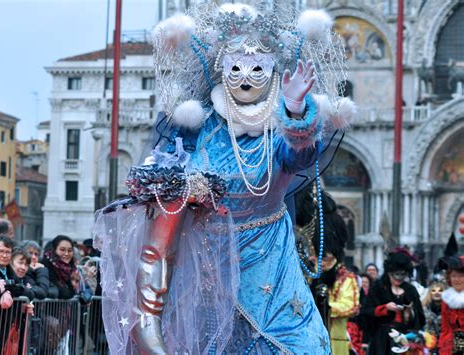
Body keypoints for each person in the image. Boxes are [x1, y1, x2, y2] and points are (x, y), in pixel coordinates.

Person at [94, 3, 355, 354]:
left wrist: (294, 109)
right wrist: (186, 189)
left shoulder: (277, 130)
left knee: (299, 345)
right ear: (221, 70)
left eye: (257, 68)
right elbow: (168, 182)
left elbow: (301, 156)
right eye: (235, 67)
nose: (245, 77)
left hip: (268, 258)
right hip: (207, 260)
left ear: (274, 71)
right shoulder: (200, 128)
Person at [296, 190, 360, 355]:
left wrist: (325, 304)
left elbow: (349, 306)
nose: (321, 263)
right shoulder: (309, 275)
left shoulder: (346, 279)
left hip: (336, 343)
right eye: (319, 257)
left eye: (326, 258)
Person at [364, 250, 425, 355]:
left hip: (405, 339)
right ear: (388, 272)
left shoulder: (411, 290)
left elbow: (420, 319)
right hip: (381, 341)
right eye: (396, 274)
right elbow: (366, 311)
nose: (399, 279)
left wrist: (410, 314)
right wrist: (384, 308)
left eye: (403, 275)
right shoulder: (378, 288)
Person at [439, 256, 464, 354]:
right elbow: (445, 329)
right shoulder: (447, 299)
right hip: (453, 347)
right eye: (453, 276)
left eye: (461, 276)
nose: (457, 280)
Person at [42, 235, 78, 299]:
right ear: (54, 250)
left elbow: (71, 291)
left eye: (69, 250)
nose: (66, 254)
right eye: (62, 250)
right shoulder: (46, 264)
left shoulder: (68, 269)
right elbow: (64, 293)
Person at [422, 280, 446, 354]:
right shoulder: (423, 309)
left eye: (440, 290)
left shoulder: (451, 310)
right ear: (430, 293)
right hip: (428, 348)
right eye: (433, 290)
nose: (437, 292)